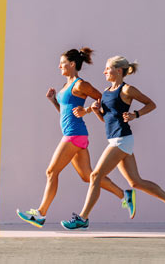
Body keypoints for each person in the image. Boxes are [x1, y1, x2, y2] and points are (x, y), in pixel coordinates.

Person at [16, 48, 136, 228]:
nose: (59, 67)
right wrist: (54, 101)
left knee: (51, 172)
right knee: (89, 177)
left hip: (74, 135)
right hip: (74, 134)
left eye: (62, 64)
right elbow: (66, 114)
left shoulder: (80, 84)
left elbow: (103, 99)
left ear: (72, 65)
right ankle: (124, 195)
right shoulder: (65, 87)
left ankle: (40, 214)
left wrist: (87, 110)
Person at [61, 56, 165, 230]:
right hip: (117, 139)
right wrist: (94, 112)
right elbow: (106, 120)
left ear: (118, 71)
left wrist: (136, 115)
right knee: (135, 182)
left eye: (107, 68)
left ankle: (83, 218)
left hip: (122, 139)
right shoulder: (107, 91)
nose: (104, 72)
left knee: (95, 176)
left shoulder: (127, 90)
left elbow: (151, 104)